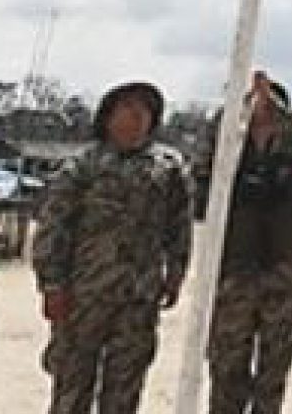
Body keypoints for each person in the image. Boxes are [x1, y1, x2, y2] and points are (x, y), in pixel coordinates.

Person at [32, 80, 193, 414]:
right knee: (71, 390)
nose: (136, 118)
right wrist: (52, 284)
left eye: (144, 111)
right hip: (83, 296)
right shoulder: (82, 167)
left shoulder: (168, 168)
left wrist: (176, 273)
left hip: (138, 298)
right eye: (127, 110)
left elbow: (179, 226)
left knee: (124, 392)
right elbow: (53, 227)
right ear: (107, 118)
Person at [203, 73, 292, 414]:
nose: (258, 112)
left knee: (273, 373)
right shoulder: (225, 154)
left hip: (283, 271)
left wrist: (275, 112)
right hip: (236, 272)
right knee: (227, 371)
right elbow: (205, 164)